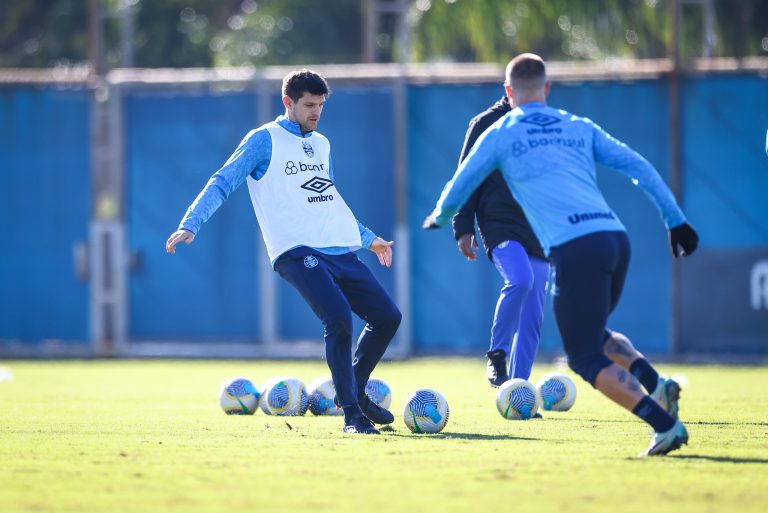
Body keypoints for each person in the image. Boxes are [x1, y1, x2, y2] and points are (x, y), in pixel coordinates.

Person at [423, 54, 699, 456]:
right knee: (595, 334)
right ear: (548, 89)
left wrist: (440, 217)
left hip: (575, 248)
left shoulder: (501, 131)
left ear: (509, 92)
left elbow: (461, 182)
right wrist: (676, 221)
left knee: (583, 357)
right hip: (614, 238)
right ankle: (656, 384)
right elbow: (637, 165)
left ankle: (665, 426)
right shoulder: (578, 126)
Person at [166, 69, 401, 435]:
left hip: (337, 249)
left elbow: (328, 200)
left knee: (388, 316)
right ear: (287, 102)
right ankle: (353, 415)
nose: (316, 112)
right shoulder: (264, 139)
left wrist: (369, 237)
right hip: (296, 251)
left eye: (321, 105)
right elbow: (223, 180)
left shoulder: (322, 144)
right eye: (309, 105)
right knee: (338, 318)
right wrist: (191, 223)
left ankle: (353, 388)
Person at [452, 94, 550, 388]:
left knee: (535, 301)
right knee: (521, 280)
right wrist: (463, 224)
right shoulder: (485, 123)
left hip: (537, 225)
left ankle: (518, 388)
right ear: (508, 89)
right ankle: (497, 356)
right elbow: (466, 176)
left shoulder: (546, 125)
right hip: (499, 223)